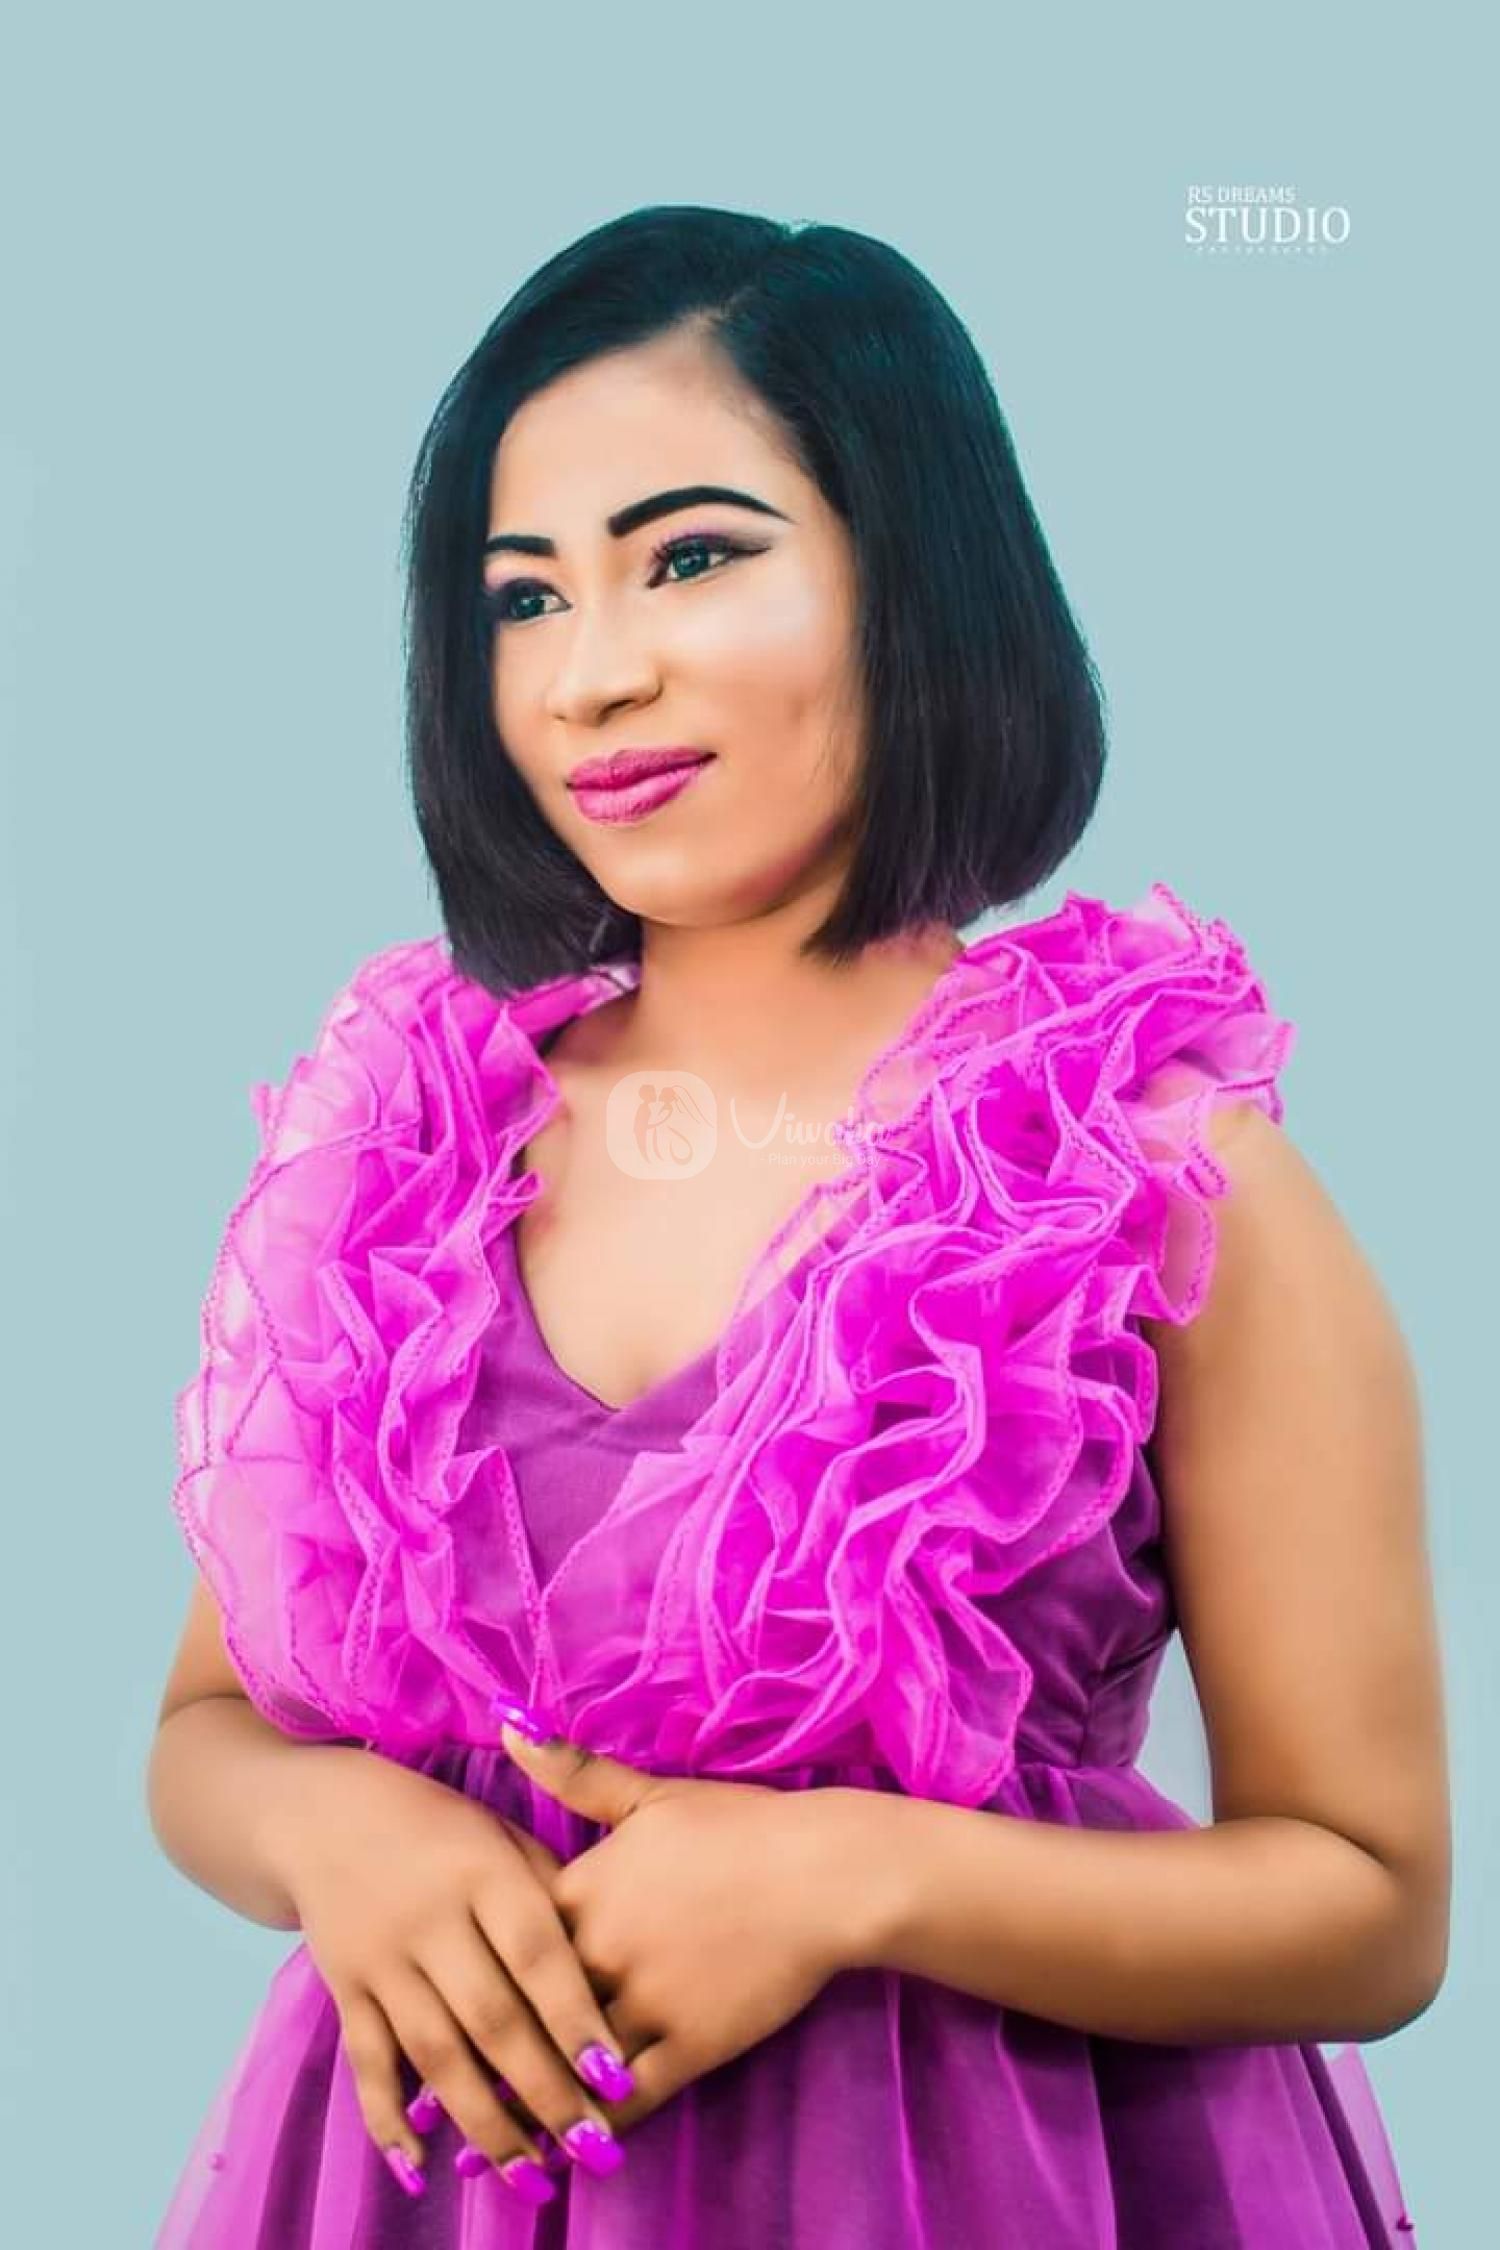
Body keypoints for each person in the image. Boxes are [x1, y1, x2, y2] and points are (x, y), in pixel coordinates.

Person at [147, 205, 1446, 2246]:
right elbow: (208, 1730)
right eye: (523, 597)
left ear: (913, 574)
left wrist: (858, 1877)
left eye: (690, 557)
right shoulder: (400, 1157)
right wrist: (333, 1829)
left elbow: (1371, 1902)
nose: (596, 673)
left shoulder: (1154, 1176)